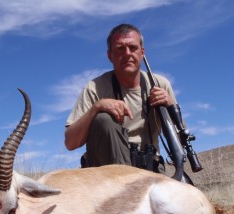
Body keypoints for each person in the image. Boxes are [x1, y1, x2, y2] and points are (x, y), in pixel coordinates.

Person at [65, 23, 177, 172]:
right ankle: (125, 182)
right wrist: (96, 108)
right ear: (110, 55)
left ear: (142, 52)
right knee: (103, 119)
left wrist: (169, 106)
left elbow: (180, 140)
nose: (127, 53)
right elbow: (70, 143)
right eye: (120, 49)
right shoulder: (94, 88)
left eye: (133, 48)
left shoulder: (160, 84)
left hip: (150, 167)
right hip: (107, 171)